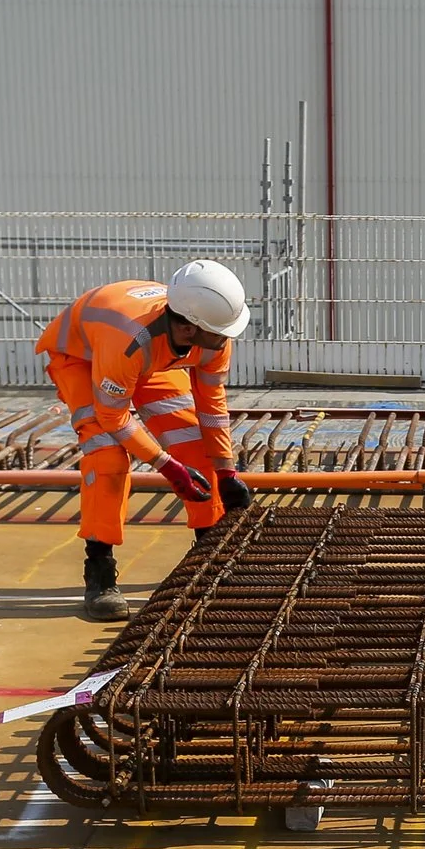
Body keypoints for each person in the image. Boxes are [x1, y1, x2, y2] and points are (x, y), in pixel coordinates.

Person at [38, 259, 253, 620]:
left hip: (151, 360)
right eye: (219, 334)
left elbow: (212, 406)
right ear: (188, 328)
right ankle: (100, 571)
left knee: (195, 444)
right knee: (107, 456)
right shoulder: (130, 340)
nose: (225, 340)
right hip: (83, 358)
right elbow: (113, 416)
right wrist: (167, 466)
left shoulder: (213, 332)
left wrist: (226, 471)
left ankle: (206, 554)